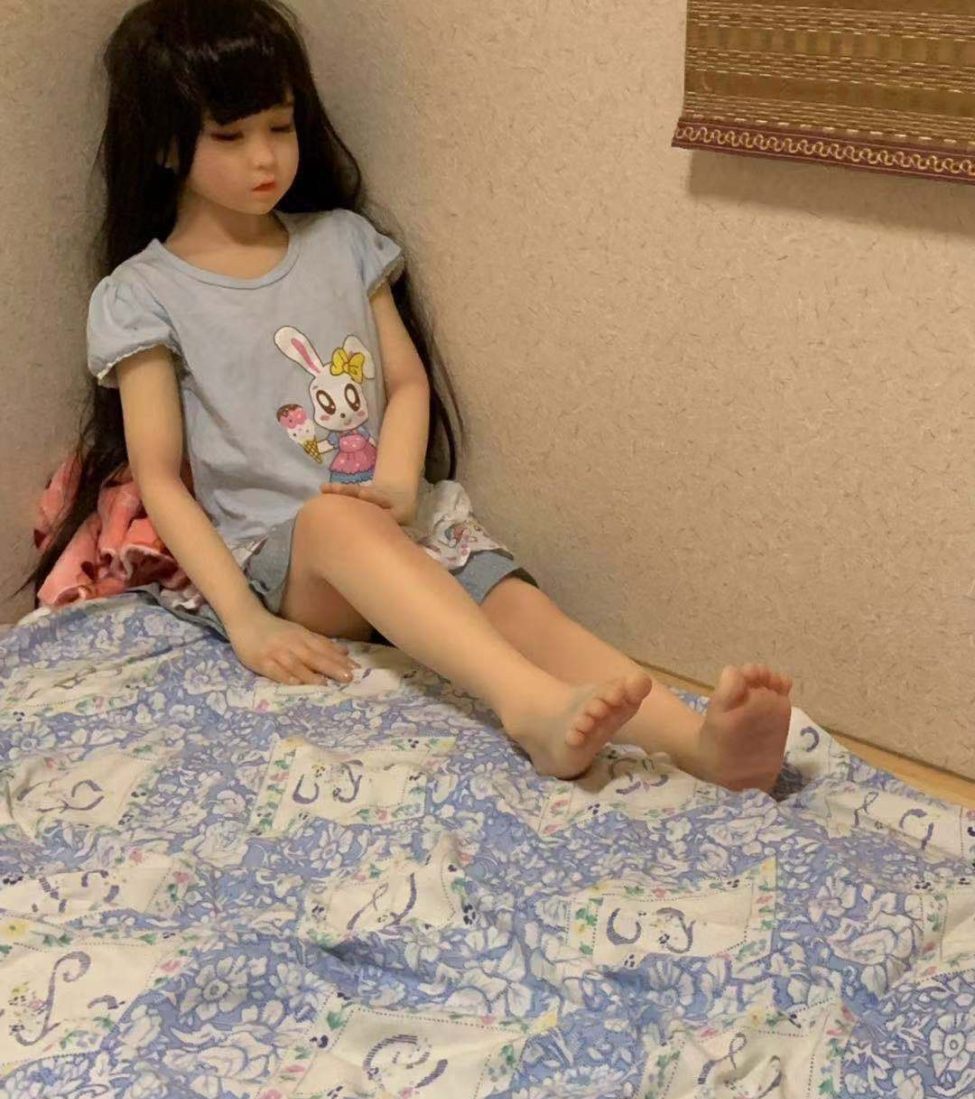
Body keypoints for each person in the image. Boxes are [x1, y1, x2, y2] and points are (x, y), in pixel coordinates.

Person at [30, 0, 793, 786]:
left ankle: (702, 746)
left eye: (281, 126)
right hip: (284, 562)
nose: (265, 157)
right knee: (332, 519)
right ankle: (528, 706)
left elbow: (403, 381)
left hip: (405, 525)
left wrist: (397, 485)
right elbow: (159, 477)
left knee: (521, 610)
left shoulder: (341, 242)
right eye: (230, 136)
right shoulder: (143, 294)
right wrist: (247, 622)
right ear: (164, 143)